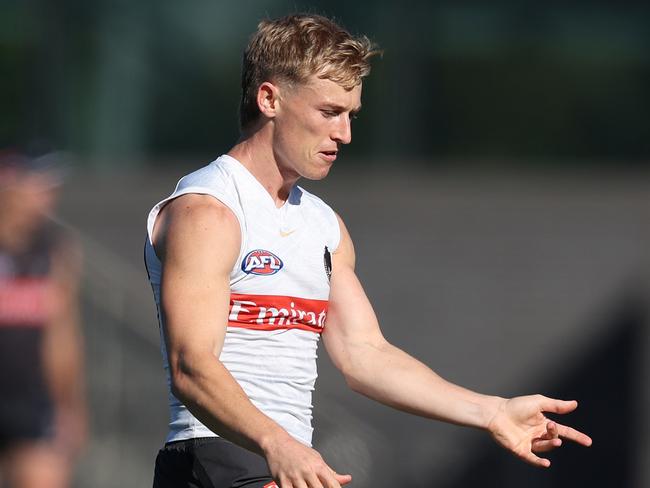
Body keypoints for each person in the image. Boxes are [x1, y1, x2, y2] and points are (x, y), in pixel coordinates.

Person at [144, 13, 592, 488]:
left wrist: (493, 411)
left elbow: (365, 354)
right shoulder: (208, 211)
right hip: (217, 459)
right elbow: (192, 367)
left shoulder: (324, 226)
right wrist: (278, 444)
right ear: (269, 98)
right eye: (328, 112)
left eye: (351, 115)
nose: (344, 134)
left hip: (286, 461)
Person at [0, 150, 87, 488]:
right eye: (39, 188)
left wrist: (70, 404)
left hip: (32, 401)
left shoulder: (54, 250)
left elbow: (62, 336)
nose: (47, 199)